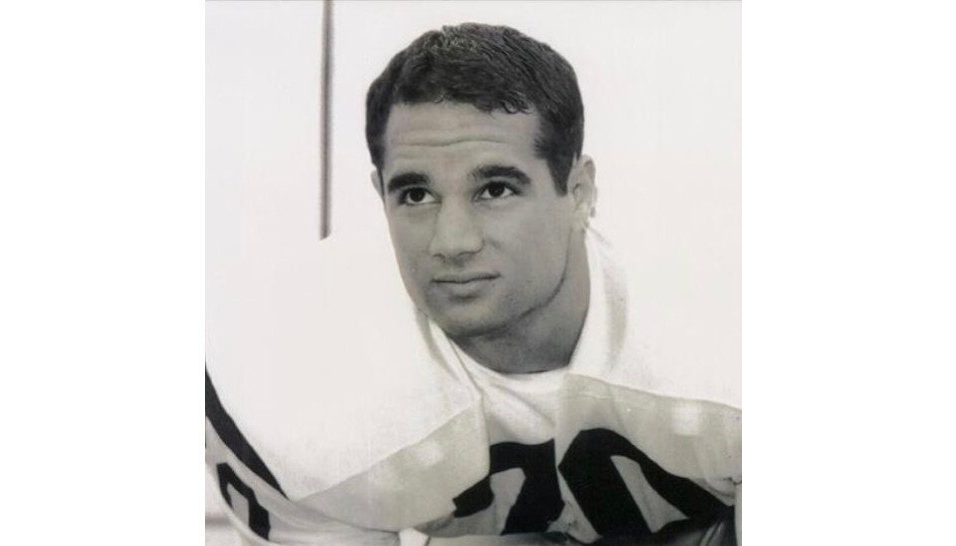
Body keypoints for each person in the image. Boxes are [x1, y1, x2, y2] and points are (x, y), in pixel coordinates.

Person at [206, 23, 741, 545]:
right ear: (380, 196)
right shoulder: (292, 384)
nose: (453, 241)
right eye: (416, 195)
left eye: (496, 189)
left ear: (578, 192)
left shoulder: (723, 334)